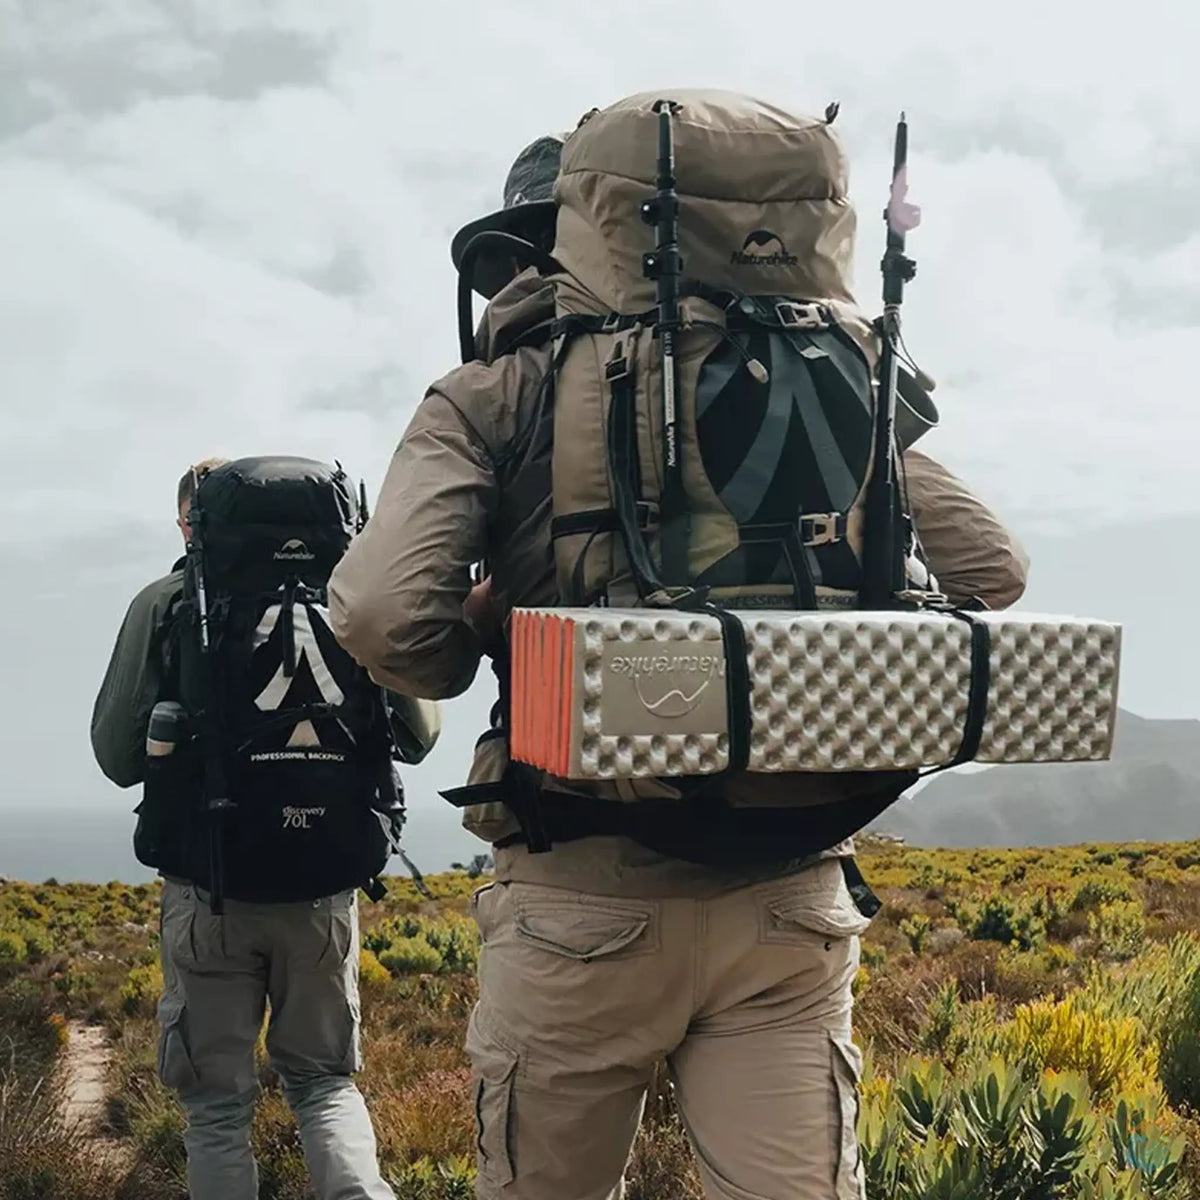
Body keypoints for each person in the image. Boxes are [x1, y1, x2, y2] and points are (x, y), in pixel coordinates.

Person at [329, 98, 1029, 1200]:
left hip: (582, 894)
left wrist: (472, 640)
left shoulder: (494, 394)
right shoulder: (834, 377)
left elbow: (379, 618)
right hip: (790, 896)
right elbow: (994, 574)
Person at [91, 457, 439, 1200]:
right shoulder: (348, 596)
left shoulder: (167, 602)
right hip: (323, 886)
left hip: (210, 883)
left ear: (193, 522)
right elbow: (419, 735)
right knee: (325, 1086)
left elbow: (118, 758)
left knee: (217, 1109)